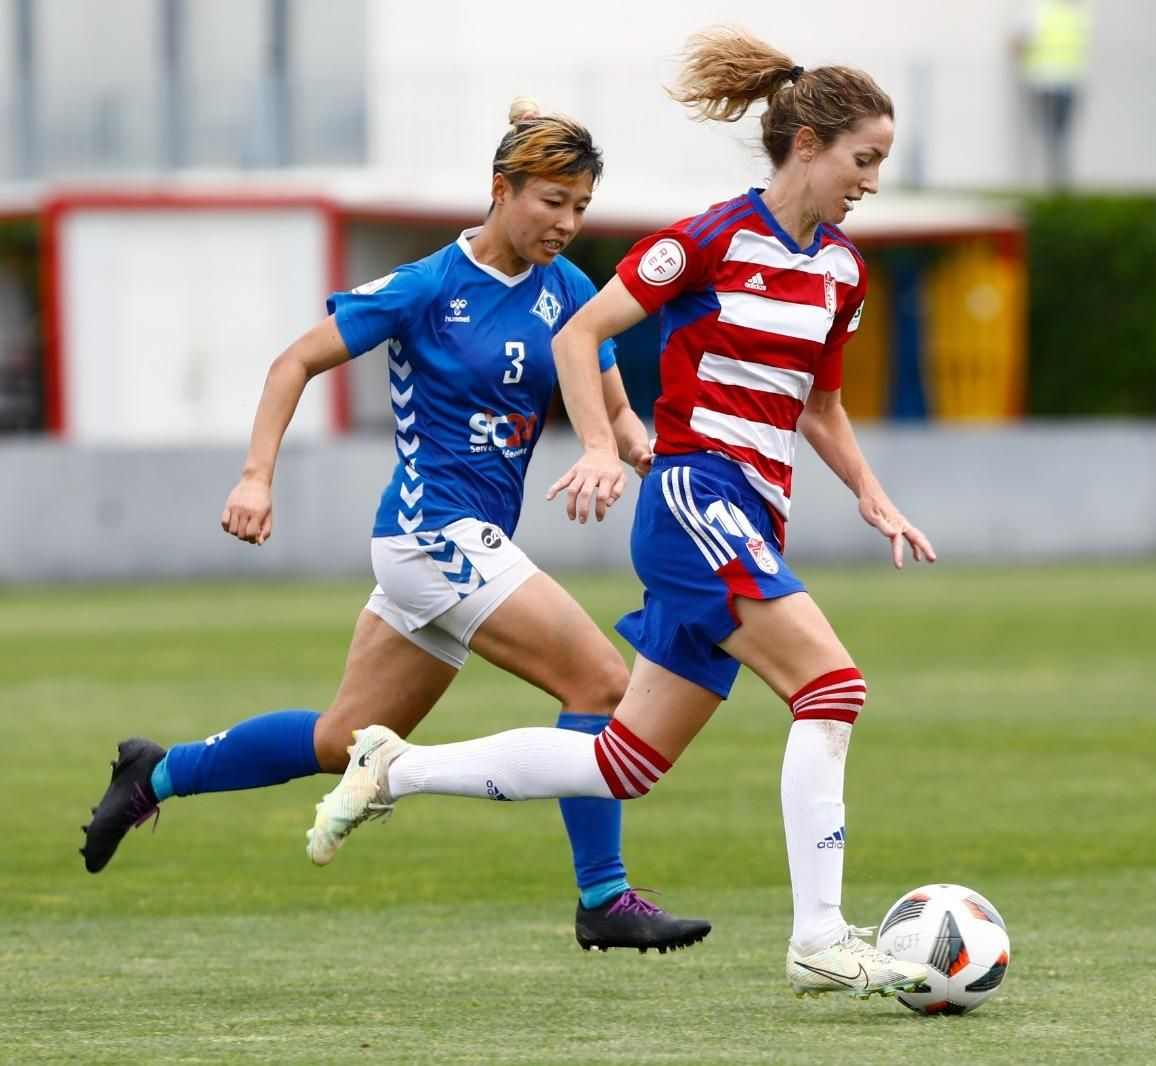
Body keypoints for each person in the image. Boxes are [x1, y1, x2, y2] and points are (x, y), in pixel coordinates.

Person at [307, 27, 938, 1000]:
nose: (872, 179)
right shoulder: (707, 238)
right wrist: (603, 446)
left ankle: (396, 769)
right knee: (831, 687)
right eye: (865, 158)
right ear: (806, 145)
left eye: (881, 162)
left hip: (752, 516)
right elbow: (581, 331)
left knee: (625, 759)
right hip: (694, 496)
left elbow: (818, 405)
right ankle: (820, 935)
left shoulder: (842, 272)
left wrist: (870, 492)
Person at [78, 97, 710, 955]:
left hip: (466, 545)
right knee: (600, 684)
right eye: (550, 203)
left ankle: (154, 772)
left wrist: (642, 455)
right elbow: (293, 360)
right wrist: (256, 477)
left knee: (342, 740)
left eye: (580, 208)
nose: (566, 224)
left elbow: (618, 411)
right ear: (501, 189)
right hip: (429, 533)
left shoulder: (570, 292)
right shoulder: (427, 286)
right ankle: (603, 898)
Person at [1014, 0, 1092, 188]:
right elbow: (1017, 42)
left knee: (1057, 140)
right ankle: (1053, 186)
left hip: (1064, 83)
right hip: (1044, 84)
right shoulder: (1039, 7)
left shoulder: (1076, 9)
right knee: (1051, 140)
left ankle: (1057, 186)